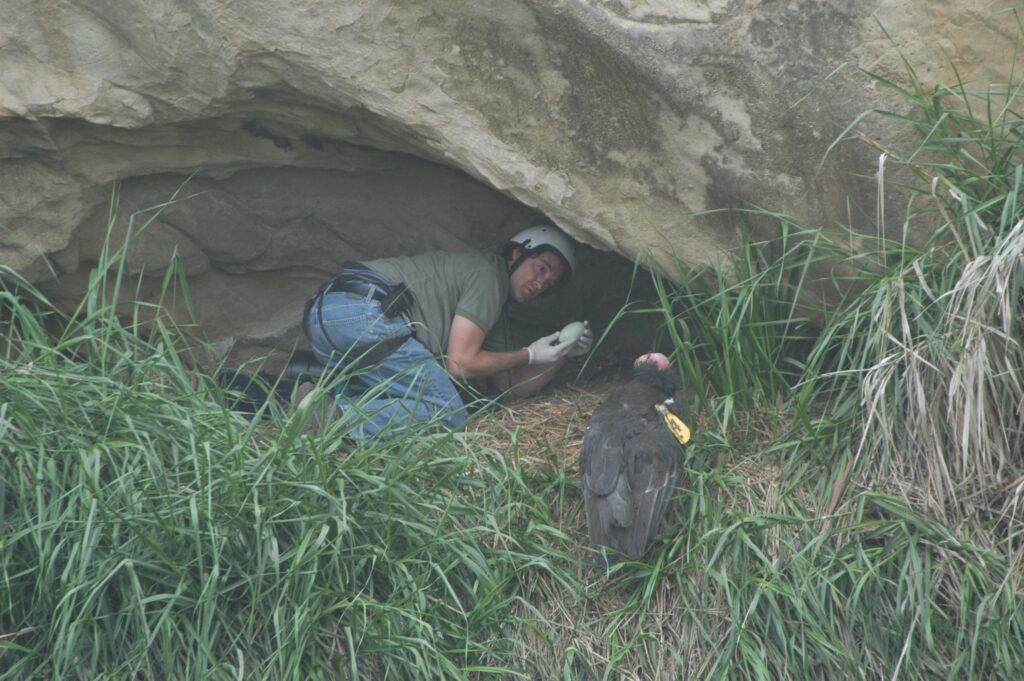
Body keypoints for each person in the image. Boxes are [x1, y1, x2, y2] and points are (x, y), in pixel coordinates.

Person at [301, 225, 593, 443]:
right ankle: (332, 419)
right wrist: (530, 354)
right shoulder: (489, 275)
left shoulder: (494, 309)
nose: (541, 283)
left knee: (395, 402)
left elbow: (511, 388)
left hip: (326, 315)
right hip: (363, 315)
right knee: (447, 413)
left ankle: (311, 405)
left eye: (550, 282)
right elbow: (461, 363)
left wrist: (560, 353)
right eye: (541, 268)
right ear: (517, 254)